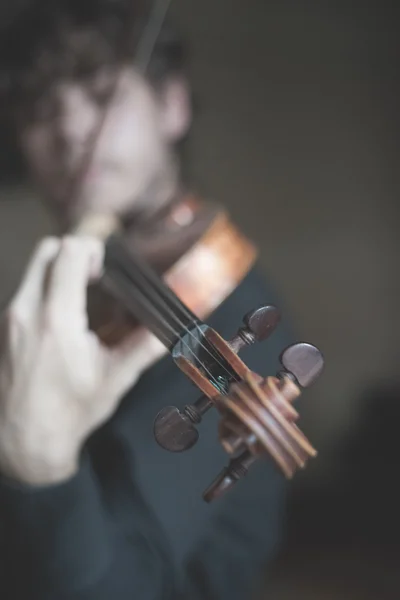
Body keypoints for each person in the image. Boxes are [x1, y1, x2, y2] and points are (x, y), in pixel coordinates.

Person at [0, 1, 296, 598]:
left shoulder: (232, 315)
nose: (70, 129)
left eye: (102, 91)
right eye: (39, 109)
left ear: (172, 104)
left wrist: (40, 467)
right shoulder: (87, 285)